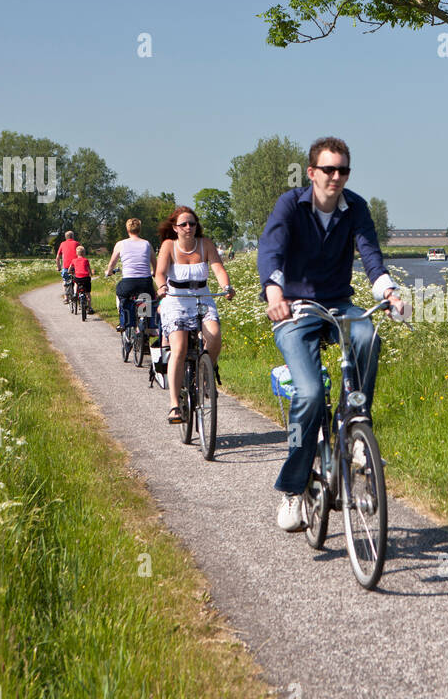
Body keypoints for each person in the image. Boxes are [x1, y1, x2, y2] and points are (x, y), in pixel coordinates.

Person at [259, 137, 407, 532]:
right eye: (329, 170)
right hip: (296, 307)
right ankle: (293, 490)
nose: (336, 177)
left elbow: (370, 254)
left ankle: (357, 423)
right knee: (308, 394)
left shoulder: (355, 207)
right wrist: (273, 291)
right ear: (312, 173)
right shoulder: (291, 204)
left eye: (343, 170)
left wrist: (388, 291)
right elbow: (271, 250)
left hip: (339, 302)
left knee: (367, 335)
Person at [155, 207, 233, 424]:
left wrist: (226, 286)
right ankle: (174, 404)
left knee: (215, 335)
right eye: (184, 224)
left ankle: (207, 372)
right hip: (176, 299)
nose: (189, 227)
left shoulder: (205, 244)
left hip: (202, 298)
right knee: (178, 347)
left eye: (192, 223)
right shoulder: (168, 246)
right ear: (175, 228)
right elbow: (160, 272)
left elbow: (218, 268)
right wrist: (161, 286)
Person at [106, 219, 157, 337]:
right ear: (140, 229)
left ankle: (123, 322)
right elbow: (155, 263)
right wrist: (153, 272)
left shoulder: (120, 244)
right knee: (149, 298)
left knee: (120, 293)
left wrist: (109, 272)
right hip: (145, 282)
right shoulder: (146, 244)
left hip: (128, 282)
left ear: (127, 229)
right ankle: (150, 327)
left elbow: (112, 263)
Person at [56, 230, 80, 303]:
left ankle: (66, 298)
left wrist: (59, 267)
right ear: (73, 236)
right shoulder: (77, 243)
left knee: (65, 281)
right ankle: (77, 296)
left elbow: (57, 257)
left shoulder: (62, 244)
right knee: (78, 281)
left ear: (65, 237)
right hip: (76, 267)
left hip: (66, 267)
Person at [70, 245, 93, 314]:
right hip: (86, 278)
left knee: (76, 283)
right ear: (84, 253)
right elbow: (89, 270)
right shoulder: (86, 260)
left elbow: (70, 268)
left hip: (78, 277)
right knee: (88, 293)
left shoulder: (74, 260)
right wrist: (91, 274)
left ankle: (74, 293)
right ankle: (89, 307)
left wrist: (69, 272)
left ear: (77, 253)